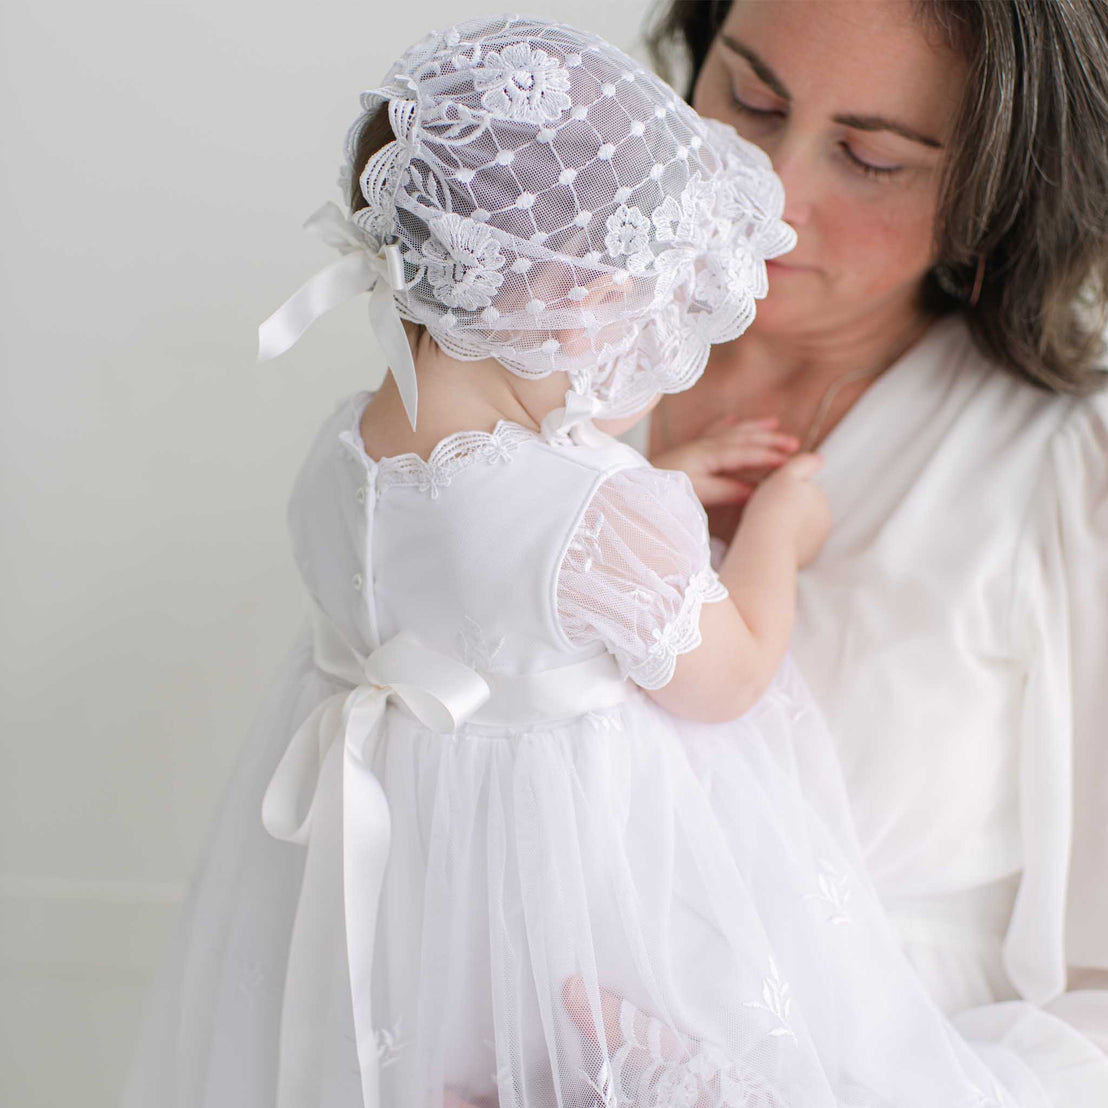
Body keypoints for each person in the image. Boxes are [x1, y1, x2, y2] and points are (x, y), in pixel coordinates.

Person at [123, 14, 1029, 1108]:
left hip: (394, 916)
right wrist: (777, 533)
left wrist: (646, 487)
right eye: (648, 319)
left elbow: (494, 553)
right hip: (574, 921)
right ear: (580, 308)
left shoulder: (342, 451)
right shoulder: (599, 510)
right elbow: (727, 675)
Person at [573, 1, 1108, 1104]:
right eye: (750, 99)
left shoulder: (1061, 472)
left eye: (871, 157)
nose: (764, 194)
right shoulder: (547, 356)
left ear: (990, 198)